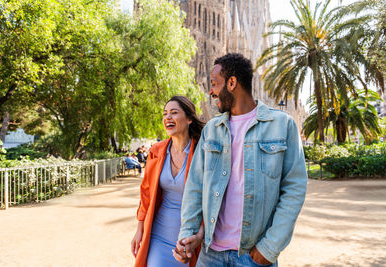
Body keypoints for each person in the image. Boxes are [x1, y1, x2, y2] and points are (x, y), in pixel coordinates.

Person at [174, 53, 308, 266]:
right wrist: (187, 234)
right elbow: (195, 187)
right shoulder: (212, 130)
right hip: (211, 255)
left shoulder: (282, 125)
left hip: (253, 256)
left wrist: (270, 247)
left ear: (232, 82)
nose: (210, 91)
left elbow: (294, 189)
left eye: (215, 84)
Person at [131, 96, 205, 267]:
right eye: (165, 114)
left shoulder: (202, 152)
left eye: (174, 113)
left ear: (188, 119)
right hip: (159, 235)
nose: (167, 118)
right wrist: (140, 229)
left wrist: (201, 233)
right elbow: (146, 192)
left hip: (190, 238)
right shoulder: (157, 151)